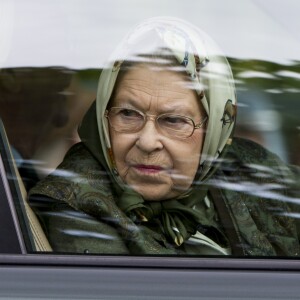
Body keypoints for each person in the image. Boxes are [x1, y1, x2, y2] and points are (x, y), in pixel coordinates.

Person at [29, 17, 300, 256]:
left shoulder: (252, 168)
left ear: (214, 132)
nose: (147, 142)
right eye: (128, 114)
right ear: (104, 116)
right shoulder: (78, 204)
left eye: (173, 120)